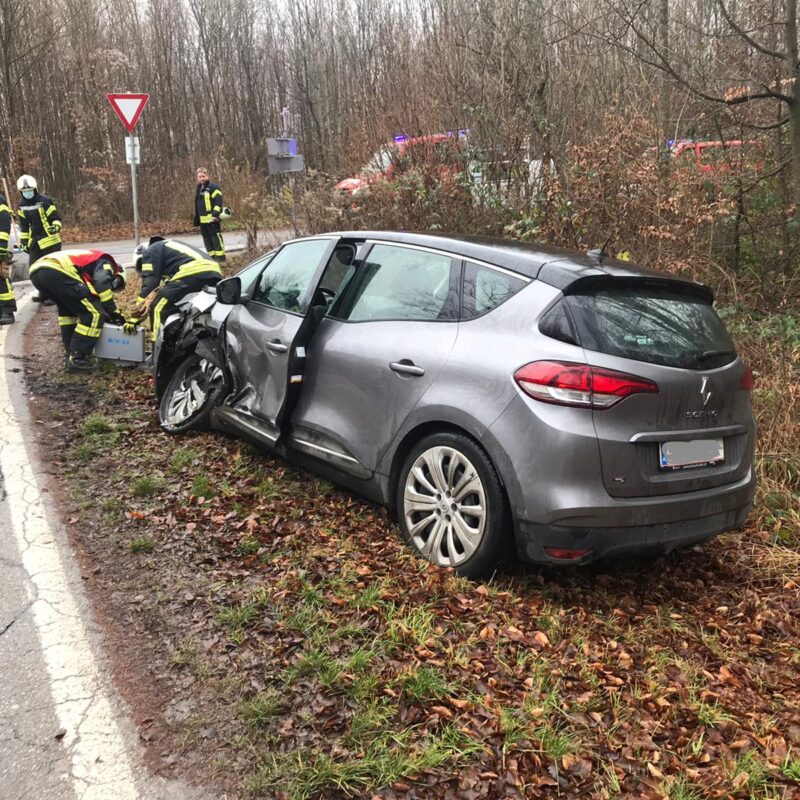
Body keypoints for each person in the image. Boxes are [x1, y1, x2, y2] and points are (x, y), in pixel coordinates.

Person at [29, 249, 126, 370]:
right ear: (118, 273)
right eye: (116, 283)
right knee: (94, 314)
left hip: (37, 272)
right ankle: (78, 358)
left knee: (68, 313)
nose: (112, 287)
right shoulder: (107, 262)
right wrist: (112, 311)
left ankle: (70, 353)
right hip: (56, 270)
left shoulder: (89, 262)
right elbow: (101, 282)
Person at [131, 236, 222, 341]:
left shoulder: (151, 250)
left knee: (158, 307)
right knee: (179, 307)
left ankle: (158, 347)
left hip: (193, 271)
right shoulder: (169, 251)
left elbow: (150, 281)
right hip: (213, 273)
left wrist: (137, 312)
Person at [193, 167, 226, 262]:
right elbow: (197, 205)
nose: (201, 178)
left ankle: (221, 259)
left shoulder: (213, 187)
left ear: (207, 175)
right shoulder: (198, 188)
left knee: (216, 239)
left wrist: (215, 215)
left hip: (212, 220)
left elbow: (218, 202)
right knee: (207, 240)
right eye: (199, 177)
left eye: (203, 176)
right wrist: (197, 218)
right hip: (203, 221)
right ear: (197, 178)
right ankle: (212, 259)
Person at [0, 189, 15, 325]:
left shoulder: (1, 204)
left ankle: (8, 311)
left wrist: (1, 247)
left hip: (1, 246)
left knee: (1, 278)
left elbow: (4, 227)